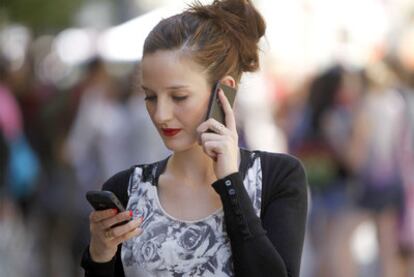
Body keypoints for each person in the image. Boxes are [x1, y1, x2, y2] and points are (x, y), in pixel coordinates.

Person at [81, 0, 308, 276]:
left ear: (223, 91)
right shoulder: (126, 190)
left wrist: (230, 184)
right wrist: (100, 257)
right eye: (150, 97)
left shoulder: (278, 178)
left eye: (179, 97)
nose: (161, 114)